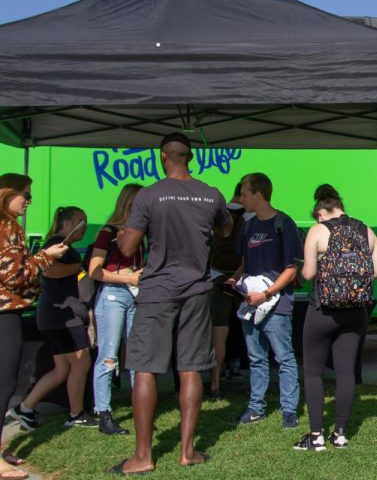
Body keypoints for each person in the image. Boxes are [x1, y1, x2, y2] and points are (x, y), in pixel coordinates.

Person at [110, 133, 232, 474]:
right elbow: (226, 229)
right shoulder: (211, 194)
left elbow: (128, 246)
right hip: (196, 289)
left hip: (157, 290)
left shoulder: (150, 195)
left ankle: (143, 457)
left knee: (146, 368)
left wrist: (125, 236)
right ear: (190, 158)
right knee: (191, 367)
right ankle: (187, 452)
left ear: (163, 157)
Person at [294, 190, 377, 451]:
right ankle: (341, 434)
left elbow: (309, 273)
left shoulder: (318, 230)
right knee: (346, 372)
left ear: (321, 213)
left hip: (323, 310)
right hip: (356, 310)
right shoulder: (366, 230)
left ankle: (315, 436)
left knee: (313, 371)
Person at [0, 173, 68, 480]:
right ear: (7, 193)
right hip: (4, 312)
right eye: (25, 195)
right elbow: (13, 275)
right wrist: (45, 257)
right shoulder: (6, 226)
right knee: (3, 384)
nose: (29, 202)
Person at [8, 206, 97, 431]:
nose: (84, 228)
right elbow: (48, 271)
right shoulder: (56, 246)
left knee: (62, 370)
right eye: (81, 222)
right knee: (81, 361)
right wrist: (80, 266)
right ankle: (76, 413)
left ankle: (25, 408)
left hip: (54, 315)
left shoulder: (62, 246)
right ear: (67, 224)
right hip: (61, 317)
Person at [228, 173, 301, 429]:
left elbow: (291, 269)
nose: (241, 199)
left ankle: (289, 411)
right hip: (250, 302)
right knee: (255, 358)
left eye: (244, 193)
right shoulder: (248, 226)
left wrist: (267, 294)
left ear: (258, 194)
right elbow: (245, 262)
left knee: (284, 358)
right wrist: (235, 280)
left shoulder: (284, 224)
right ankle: (256, 407)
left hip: (276, 305)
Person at [88, 184, 144, 435]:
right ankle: (104, 413)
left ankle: (140, 407)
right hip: (113, 296)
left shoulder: (143, 232)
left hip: (135, 295)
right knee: (109, 355)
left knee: (136, 354)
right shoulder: (108, 232)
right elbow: (94, 270)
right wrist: (127, 279)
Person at [206, 182, 245, 401]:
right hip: (243, 277)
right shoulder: (249, 217)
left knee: (218, 333)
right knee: (250, 331)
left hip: (218, 276)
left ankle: (215, 384)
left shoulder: (217, 214)